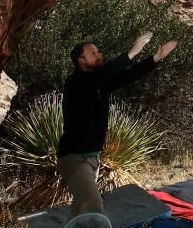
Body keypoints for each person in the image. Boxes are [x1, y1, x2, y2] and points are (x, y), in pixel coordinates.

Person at [56, 33, 178, 218]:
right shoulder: (75, 82)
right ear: (81, 60)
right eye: (93, 53)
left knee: (80, 210)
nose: (99, 55)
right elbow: (103, 74)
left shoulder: (98, 84)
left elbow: (127, 76)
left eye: (98, 51)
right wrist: (131, 53)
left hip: (92, 158)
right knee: (93, 205)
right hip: (74, 159)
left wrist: (156, 58)